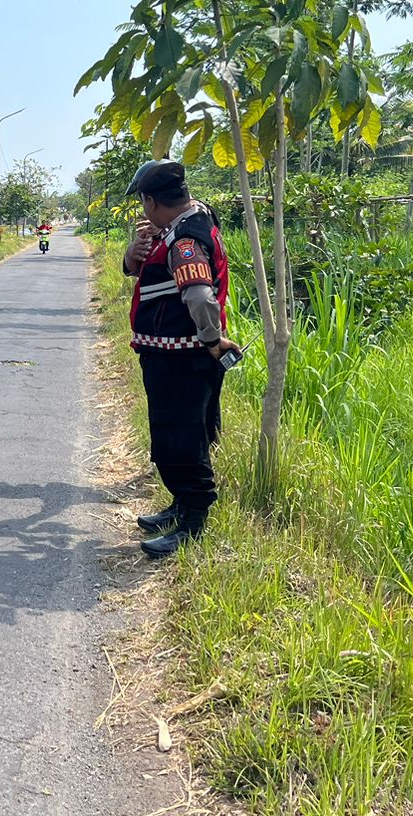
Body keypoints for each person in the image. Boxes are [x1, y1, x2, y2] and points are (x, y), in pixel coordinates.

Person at [120, 160, 238, 558]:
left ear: (151, 201)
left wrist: (212, 339)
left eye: (142, 202)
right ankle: (180, 505)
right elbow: (146, 273)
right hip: (168, 354)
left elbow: (200, 295)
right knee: (175, 437)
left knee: (183, 438)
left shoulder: (184, 239)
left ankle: (193, 519)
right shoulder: (182, 225)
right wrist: (132, 255)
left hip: (183, 359)